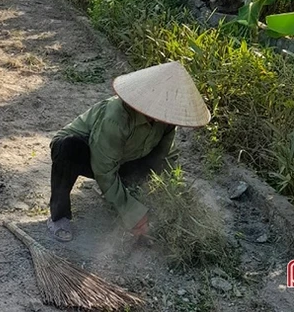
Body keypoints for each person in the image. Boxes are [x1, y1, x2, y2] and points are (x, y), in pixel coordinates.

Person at [47, 61, 211, 242]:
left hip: (121, 157)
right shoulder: (116, 117)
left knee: (153, 165)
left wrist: (171, 194)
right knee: (67, 148)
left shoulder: (167, 123)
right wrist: (132, 212)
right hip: (85, 152)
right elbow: (103, 168)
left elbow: (165, 157)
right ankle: (59, 216)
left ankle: (113, 193)